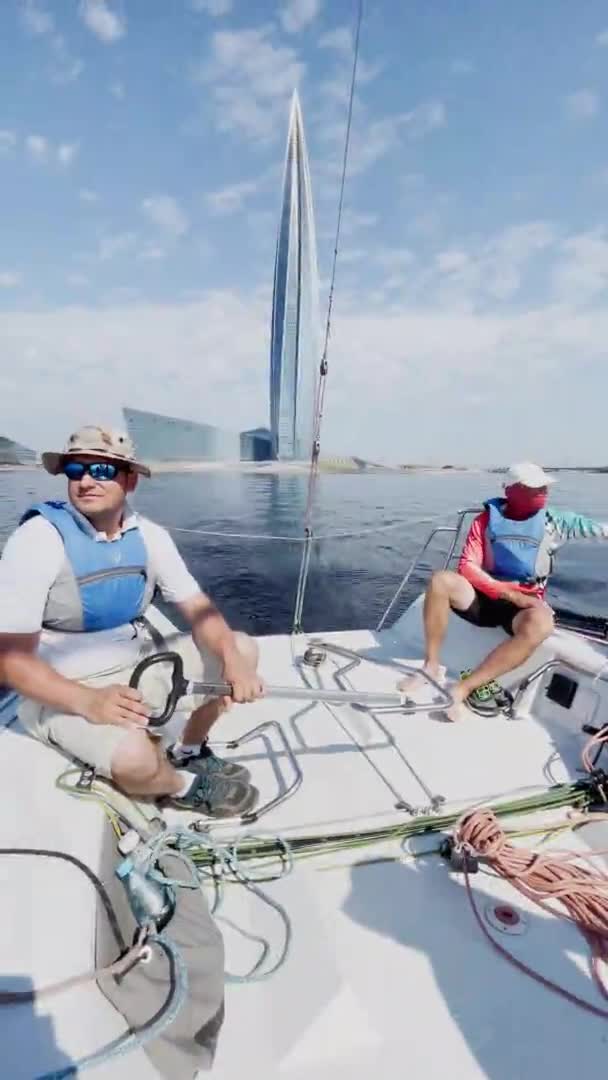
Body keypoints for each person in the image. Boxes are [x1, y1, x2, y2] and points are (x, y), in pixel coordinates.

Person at [0, 425, 265, 817]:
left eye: (102, 470)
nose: (86, 481)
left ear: (130, 480)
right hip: (62, 689)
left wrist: (232, 660)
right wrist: (87, 701)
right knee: (135, 761)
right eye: (76, 470)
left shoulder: (150, 536)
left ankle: (187, 751)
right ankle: (182, 786)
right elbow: (10, 662)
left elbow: (199, 610)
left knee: (241, 646)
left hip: (137, 664)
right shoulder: (39, 539)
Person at [401, 462, 608, 720]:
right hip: (484, 598)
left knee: (541, 625)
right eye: (535, 487)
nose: (543, 492)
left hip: (522, 607)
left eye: (544, 487)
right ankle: (431, 666)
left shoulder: (555, 522)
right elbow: (468, 566)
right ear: (511, 490)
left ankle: (463, 688)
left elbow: (599, 530)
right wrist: (506, 592)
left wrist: (519, 598)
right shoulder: (486, 520)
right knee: (440, 581)